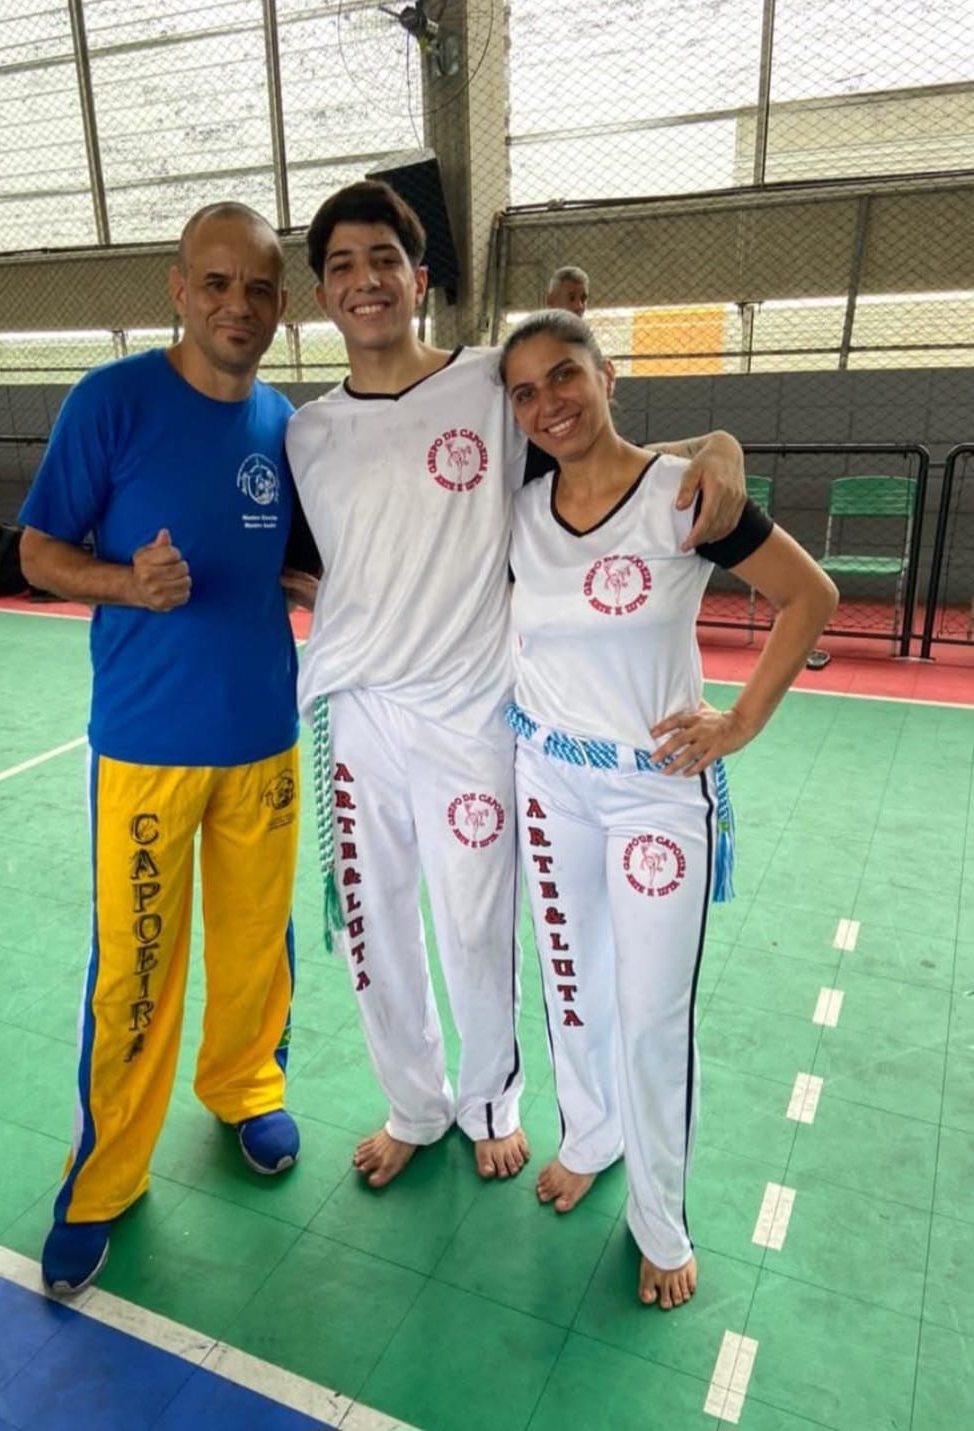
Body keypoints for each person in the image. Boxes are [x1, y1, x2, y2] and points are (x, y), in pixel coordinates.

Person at [285, 180, 747, 1191]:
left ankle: (492, 1099)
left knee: (474, 920)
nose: (365, 282)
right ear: (319, 294)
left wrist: (714, 446)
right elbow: (303, 559)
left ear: (420, 277)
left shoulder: (491, 384)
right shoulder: (304, 431)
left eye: (383, 261)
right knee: (376, 925)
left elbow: (597, 454)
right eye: (341, 268)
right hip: (359, 713)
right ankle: (413, 1100)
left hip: (474, 711)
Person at [498, 309, 837, 1312]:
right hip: (548, 775)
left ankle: (661, 1218)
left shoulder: (683, 496)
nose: (548, 403)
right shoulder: (517, 502)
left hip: (655, 791)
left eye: (567, 377)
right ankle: (591, 1136)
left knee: (651, 1017)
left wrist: (740, 723)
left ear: (610, 376)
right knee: (572, 990)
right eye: (524, 392)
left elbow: (809, 598)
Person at [18, 202, 319, 1296]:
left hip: (263, 742)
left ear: (283, 307)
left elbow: (287, 563)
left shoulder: (284, 422)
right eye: (216, 283)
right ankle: (103, 1180)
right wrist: (122, 583)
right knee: (137, 970)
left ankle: (245, 1088)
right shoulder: (112, 402)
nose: (237, 305)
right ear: (177, 290)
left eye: (259, 288)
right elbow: (40, 552)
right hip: (147, 745)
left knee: (254, 950)